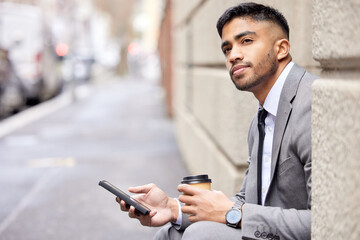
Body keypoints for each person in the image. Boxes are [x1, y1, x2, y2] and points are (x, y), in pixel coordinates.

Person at [116, 2, 317, 239]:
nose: (234, 55)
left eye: (246, 41)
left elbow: (327, 222)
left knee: (200, 235)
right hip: (270, 231)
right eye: (227, 49)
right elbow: (249, 201)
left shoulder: (312, 106)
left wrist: (234, 212)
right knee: (171, 232)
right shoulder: (261, 119)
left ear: (281, 48)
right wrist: (174, 209)